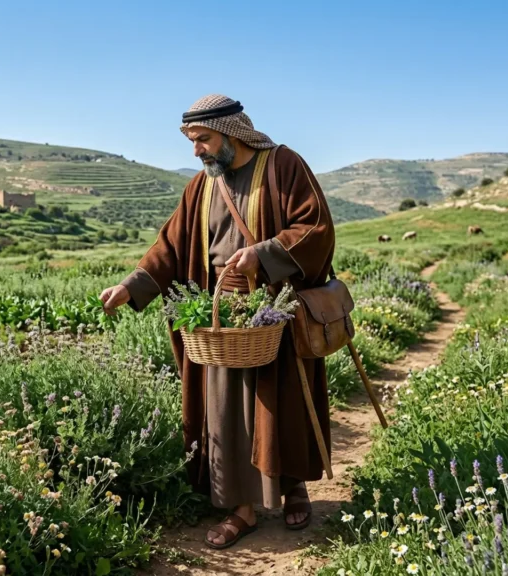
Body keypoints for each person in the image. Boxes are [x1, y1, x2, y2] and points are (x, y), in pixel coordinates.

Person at [99, 94, 336, 549]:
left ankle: (293, 489)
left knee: (281, 400)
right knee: (225, 412)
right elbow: (169, 245)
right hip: (218, 313)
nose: (197, 151)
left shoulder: (284, 165)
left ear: (231, 133)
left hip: (274, 306)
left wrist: (264, 254)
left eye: (203, 140)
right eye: (192, 141)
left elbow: (315, 228)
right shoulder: (201, 186)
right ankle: (240, 508)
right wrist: (132, 285)